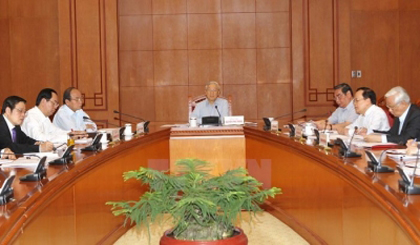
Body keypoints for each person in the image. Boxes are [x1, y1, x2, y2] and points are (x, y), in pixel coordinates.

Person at [21, 88, 85, 143]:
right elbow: (39, 138)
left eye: (56, 104)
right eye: (54, 103)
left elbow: (55, 131)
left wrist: (72, 133)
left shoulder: (45, 117)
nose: (55, 107)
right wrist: (67, 137)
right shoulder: (30, 117)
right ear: (44, 101)